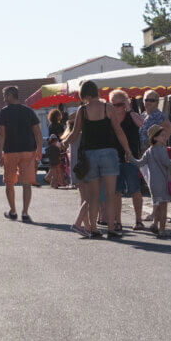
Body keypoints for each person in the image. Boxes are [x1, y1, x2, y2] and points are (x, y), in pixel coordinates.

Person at [63, 80, 133, 239]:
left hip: (90, 155)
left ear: (84, 94)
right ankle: (111, 227)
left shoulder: (82, 111)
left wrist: (63, 144)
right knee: (110, 193)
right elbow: (118, 130)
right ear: (96, 91)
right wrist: (127, 150)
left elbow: (74, 134)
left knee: (94, 195)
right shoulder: (107, 107)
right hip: (108, 153)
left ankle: (94, 228)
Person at [0, 86, 42, 222]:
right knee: (26, 183)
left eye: (5, 96)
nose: (4, 99)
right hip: (28, 151)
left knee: (9, 183)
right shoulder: (28, 111)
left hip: (10, 152)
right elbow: (37, 132)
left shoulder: (4, 113)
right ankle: (25, 213)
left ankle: (13, 211)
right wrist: (39, 149)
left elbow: (1, 135)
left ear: (10, 95)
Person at [133, 124, 171, 238]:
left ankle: (155, 224)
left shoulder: (148, 151)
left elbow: (140, 163)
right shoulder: (161, 149)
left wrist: (131, 158)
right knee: (163, 206)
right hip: (163, 182)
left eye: (165, 135)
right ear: (155, 138)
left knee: (157, 203)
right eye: (162, 135)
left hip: (152, 183)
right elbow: (167, 163)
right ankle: (162, 230)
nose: (165, 137)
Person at [109, 89, 145, 231]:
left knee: (135, 189)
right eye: (114, 104)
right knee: (117, 192)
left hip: (130, 159)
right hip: (114, 159)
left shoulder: (131, 115)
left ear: (125, 103)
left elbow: (141, 123)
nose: (117, 107)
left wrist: (129, 109)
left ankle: (138, 220)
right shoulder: (109, 119)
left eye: (120, 104)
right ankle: (118, 221)